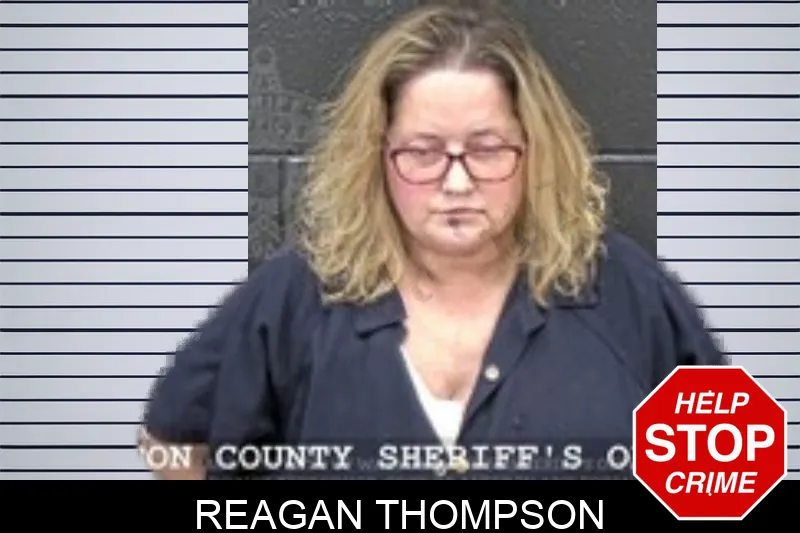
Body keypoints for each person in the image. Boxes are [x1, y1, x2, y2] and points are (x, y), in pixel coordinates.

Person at [138, 1, 727, 480]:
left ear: (533, 151)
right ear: (378, 158)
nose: (457, 182)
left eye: (487, 149)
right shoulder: (301, 293)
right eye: (422, 152)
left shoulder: (624, 292)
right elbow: (171, 439)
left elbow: (730, 467)